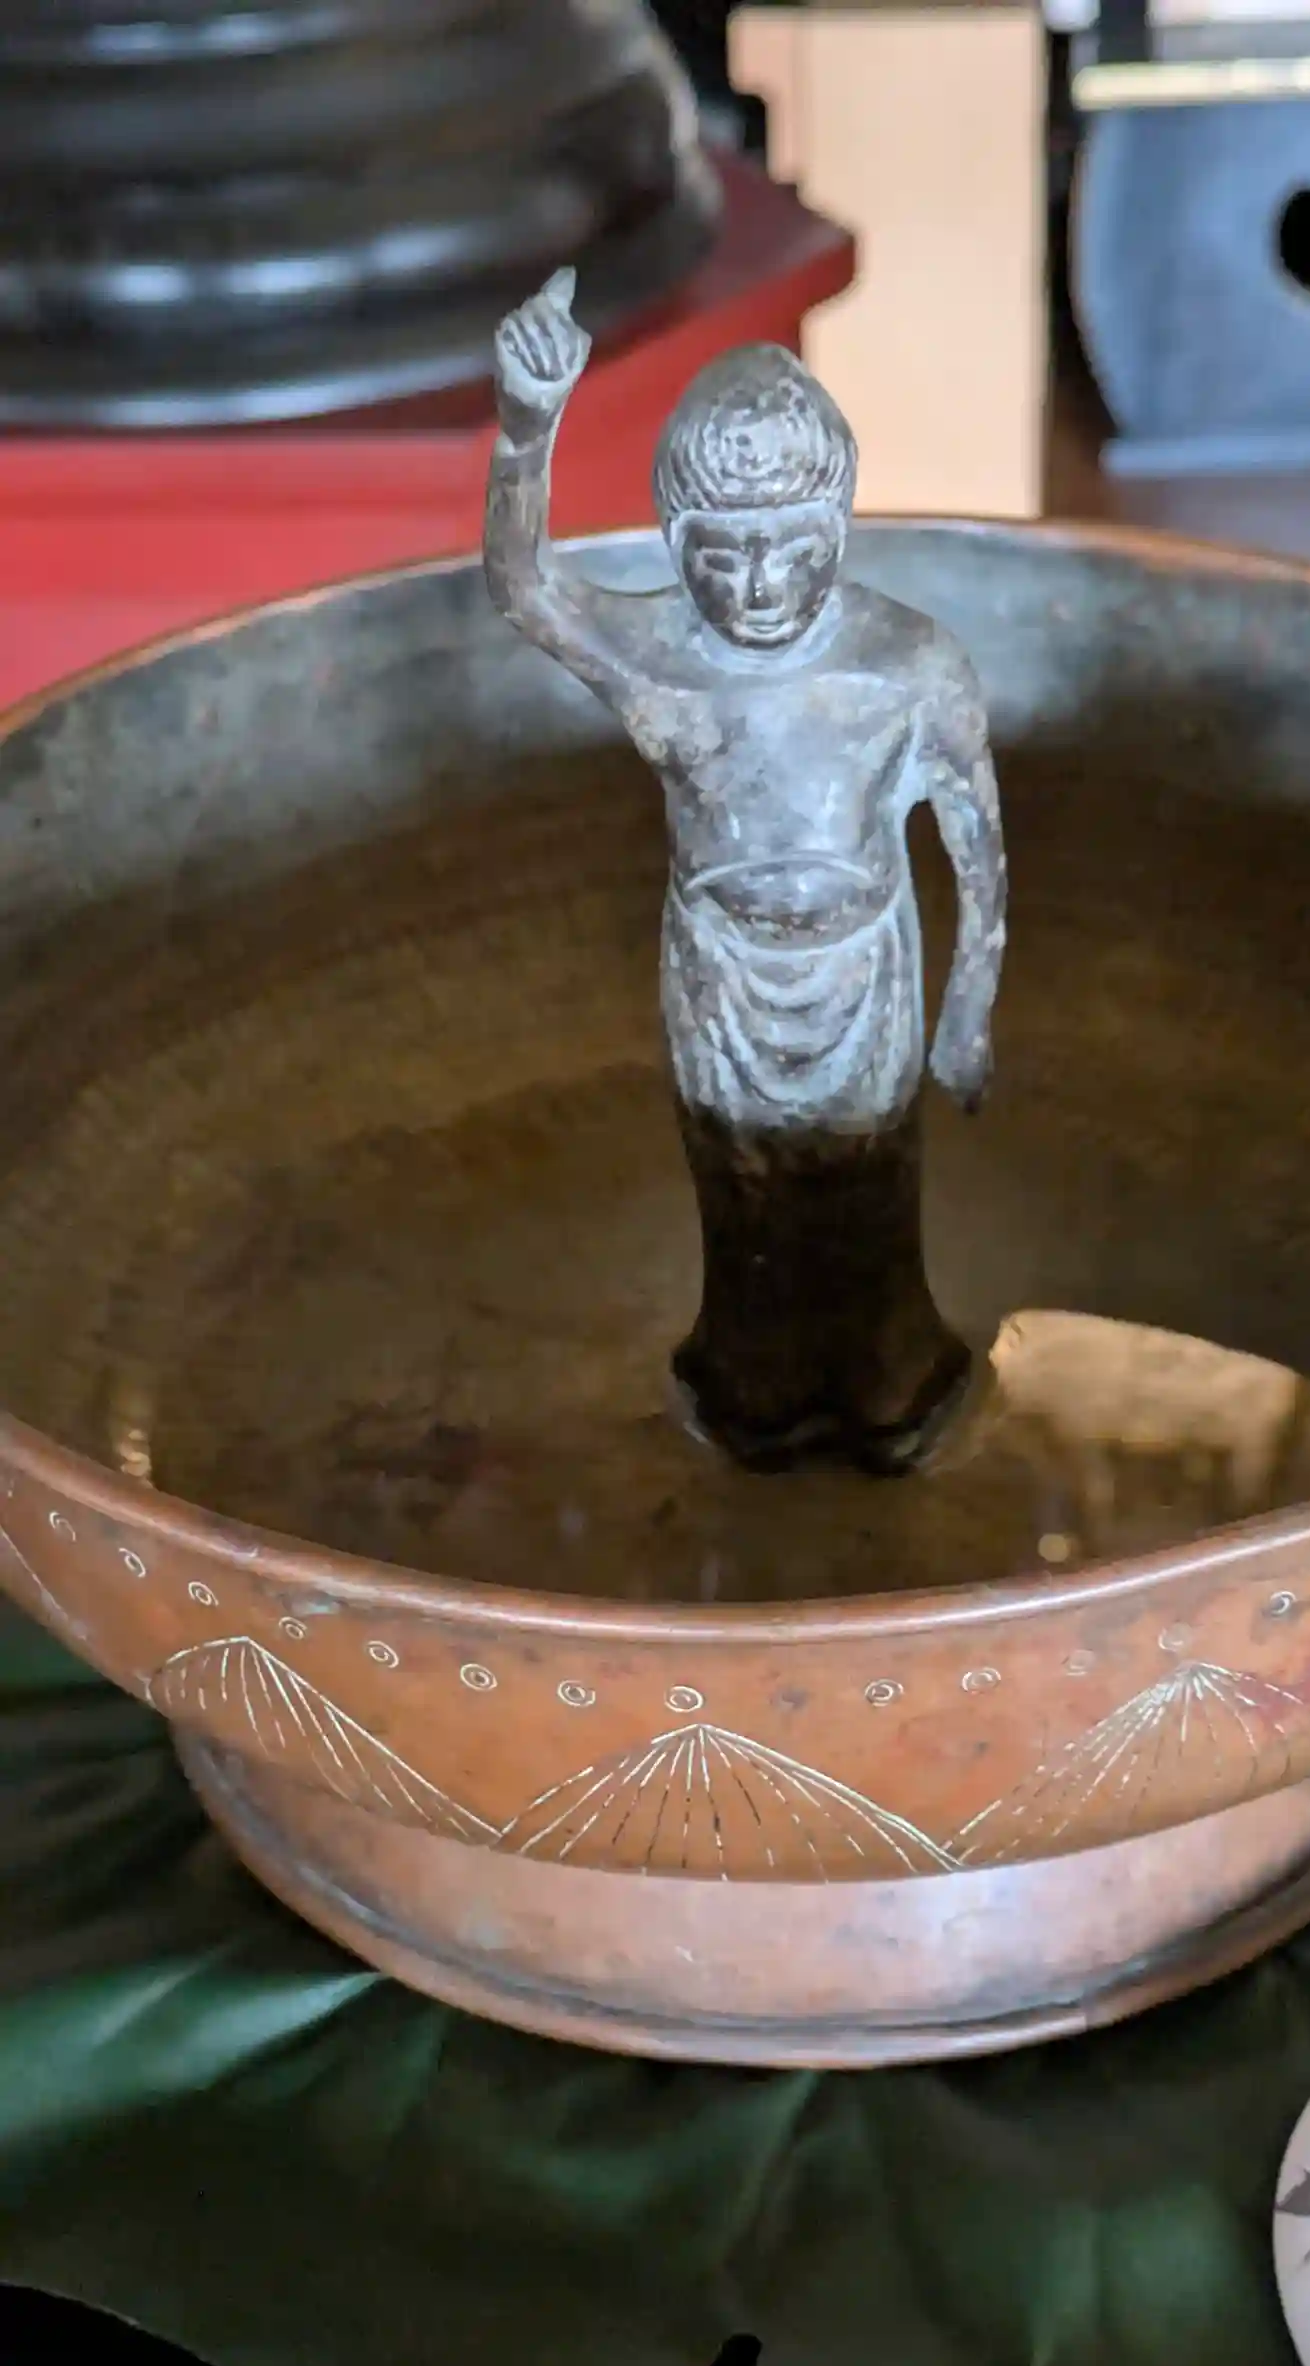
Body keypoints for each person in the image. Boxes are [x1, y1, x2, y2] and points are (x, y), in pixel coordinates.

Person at [485, 269, 1007, 1471]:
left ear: (838, 531)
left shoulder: (906, 665)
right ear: (678, 547)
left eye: (791, 551)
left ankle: (882, 1386)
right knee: (742, 1193)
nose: (760, 589)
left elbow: (973, 839)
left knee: (868, 1187)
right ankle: (756, 1389)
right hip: (719, 973)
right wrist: (525, 425)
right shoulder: (658, 658)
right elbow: (525, 588)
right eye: (721, 559)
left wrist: (967, 1008)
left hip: (862, 969)